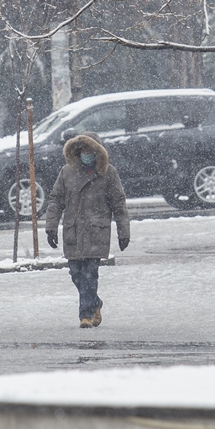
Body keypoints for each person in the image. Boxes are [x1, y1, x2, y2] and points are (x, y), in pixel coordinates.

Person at [45, 132, 130, 328]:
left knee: (90, 273)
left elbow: (119, 204)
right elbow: (56, 200)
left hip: (96, 232)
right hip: (73, 232)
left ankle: (85, 315)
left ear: (97, 151)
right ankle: (95, 302)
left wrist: (123, 233)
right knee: (76, 273)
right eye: (82, 150)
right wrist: (51, 227)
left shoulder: (109, 173)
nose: (85, 153)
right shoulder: (66, 173)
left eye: (89, 150)